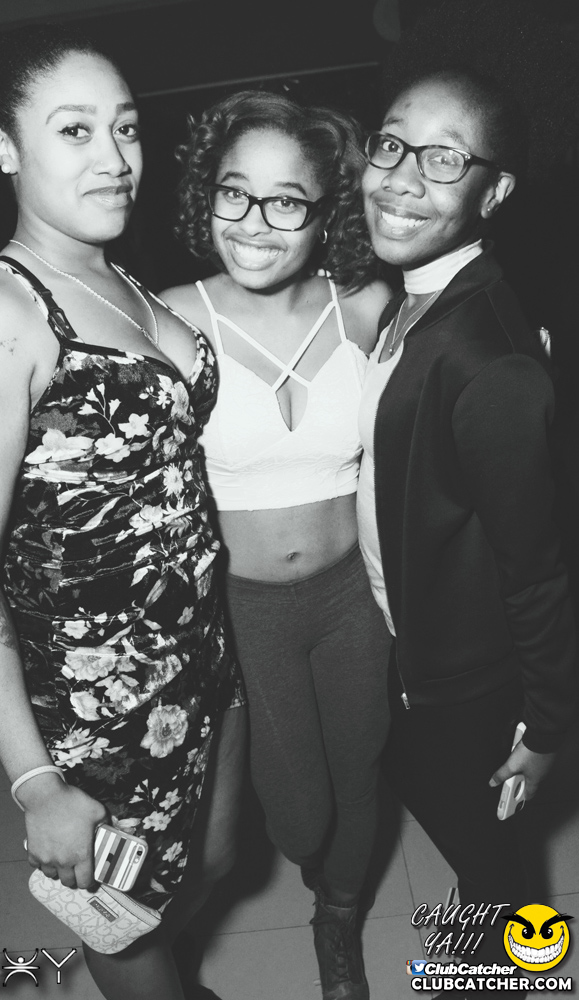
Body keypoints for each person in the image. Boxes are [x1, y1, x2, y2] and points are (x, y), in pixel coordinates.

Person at [0, 24, 245, 1000]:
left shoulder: (117, 274)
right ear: (4, 147)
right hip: (100, 713)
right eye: (73, 130)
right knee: (124, 920)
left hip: (203, 662)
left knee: (214, 862)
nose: (112, 158)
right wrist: (36, 784)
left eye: (125, 128)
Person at [357, 3, 577, 989]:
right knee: (440, 810)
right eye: (391, 144)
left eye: (444, 160)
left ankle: (510, 969)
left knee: (490, 858)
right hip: (411, 640)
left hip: (466, 675)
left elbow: (537, 563)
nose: (402, 176)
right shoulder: (417, 301)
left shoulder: (485, 357)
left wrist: (546, 723)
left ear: (494, 192)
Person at [162, 90, 392, 1000]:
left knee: (361, 768)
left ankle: (336, 920)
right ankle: (314, 874)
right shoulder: (169, 320)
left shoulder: (364, 307)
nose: (254, 222)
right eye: (234, 192)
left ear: (324, 210)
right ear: (207, 195)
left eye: (285, 200)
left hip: (353, 596)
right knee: (299, 813)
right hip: (243, 608)